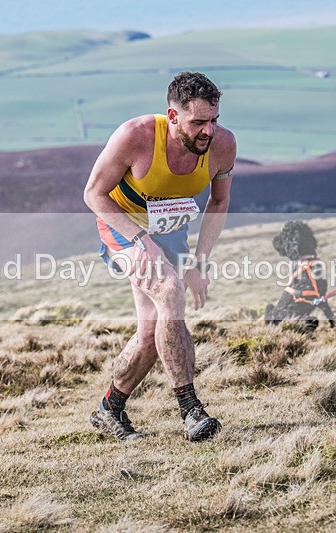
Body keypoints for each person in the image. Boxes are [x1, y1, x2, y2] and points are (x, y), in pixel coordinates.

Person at [83, 72, 236, 442]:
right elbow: (93, 194)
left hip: (170, 230)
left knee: (152, 331)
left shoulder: (223, 145)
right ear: (172, 116)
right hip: (122, 226)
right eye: (198, 122)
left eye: (213, 120)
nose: (208, 131)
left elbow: (219, 201)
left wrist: (199, 261)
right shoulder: (135, 136)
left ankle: (110, 408)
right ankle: (190, 410)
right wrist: (140, 238)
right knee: (170, 291)